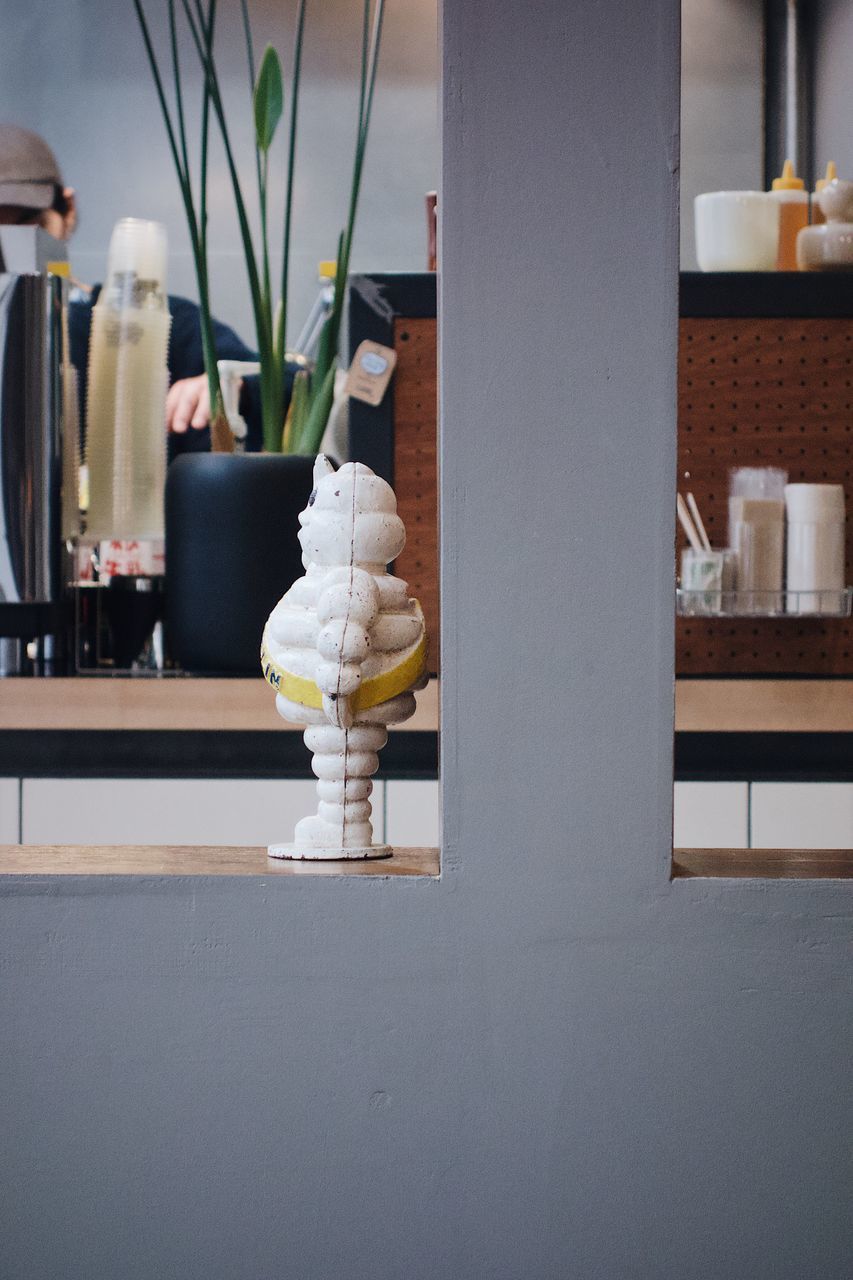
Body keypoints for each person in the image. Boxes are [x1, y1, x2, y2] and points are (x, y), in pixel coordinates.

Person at [0, 123, 276, 453]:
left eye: (28, 222)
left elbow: (284, 378)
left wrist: (229, 382)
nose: (8, 245)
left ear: (67, 210)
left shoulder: (157, 323)